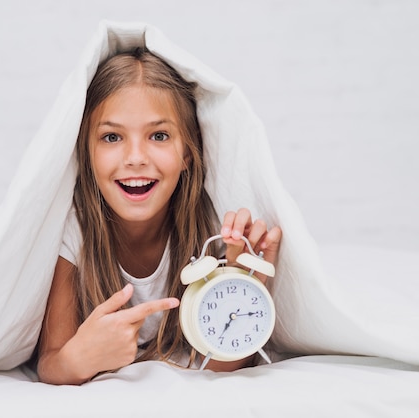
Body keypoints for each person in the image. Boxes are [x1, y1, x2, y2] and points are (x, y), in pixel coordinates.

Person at [36, 47, 282, 385]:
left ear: (187, 152)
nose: (135, 157)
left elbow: (220, 369)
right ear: (86, 154)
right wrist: (80, 358)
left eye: (159, 135)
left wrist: (244, 290)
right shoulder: (75, 229)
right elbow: (51, 364)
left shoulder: (210, 230)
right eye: (111, 137)